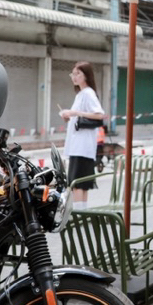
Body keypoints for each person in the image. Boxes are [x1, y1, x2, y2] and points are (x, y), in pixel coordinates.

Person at [59, 61, 104, 205]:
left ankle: (79, 213)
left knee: (77, 183)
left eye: (78, 73)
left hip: (82, 146)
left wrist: (75, 113)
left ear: (86, 75)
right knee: (81, 184)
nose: (74, 77)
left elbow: (99, 115)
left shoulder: (88, 93)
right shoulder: (81, 94)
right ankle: (82, 212)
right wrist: (69, 117)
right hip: (79, 146)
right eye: (72, 74)